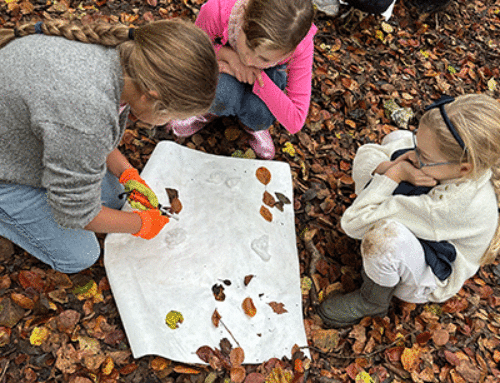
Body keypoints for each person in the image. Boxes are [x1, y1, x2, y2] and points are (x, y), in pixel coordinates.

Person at [0, 19, 218, 273]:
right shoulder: (86, 112)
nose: (169, 122)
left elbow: (88, 138)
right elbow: (76, 212)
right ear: (151, 96)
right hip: (7, 171)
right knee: (80, 255)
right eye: (171, 115)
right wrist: (140, 224)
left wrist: (127, 173)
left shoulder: (122, 59)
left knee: (115, 196)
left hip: (20, 138)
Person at [318, 94, 500, 328]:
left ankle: (372, 300)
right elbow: (367, 153)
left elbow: (354, 222)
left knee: (384, 239)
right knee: (398, 137)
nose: (413, 156)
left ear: (464, 168)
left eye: (423, 156)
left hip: (430, 275)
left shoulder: (446, 207)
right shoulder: (451, 165)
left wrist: (395, 174)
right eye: (418, 146)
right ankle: (388, 196)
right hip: (427, 222)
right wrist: (389, 165)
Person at [167, 0, 317, 160]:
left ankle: (252, 125)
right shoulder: (217, 11)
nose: (249, 60)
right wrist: (228, 57)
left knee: (260, 113)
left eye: (264, 58)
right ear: (244, 14)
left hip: (265, 76)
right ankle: (209, 111)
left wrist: (258, 80)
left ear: (290, 52)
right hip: (225, 61)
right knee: (221, 93)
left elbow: (295, 120)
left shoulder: (301, 45)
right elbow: (193, 49)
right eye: (248, 45)